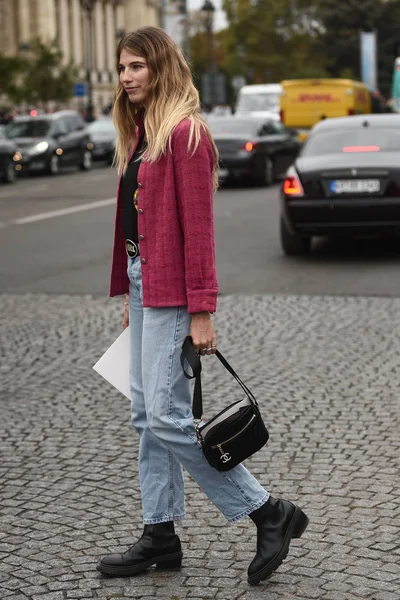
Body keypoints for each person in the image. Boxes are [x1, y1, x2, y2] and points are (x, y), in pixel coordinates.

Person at [97, 26, 309, 585]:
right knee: (146, 416)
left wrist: (201, 308)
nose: (126, 77)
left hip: (173, 293)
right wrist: (131, 294)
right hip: (146, 287)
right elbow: (136, 221)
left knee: (167, 418)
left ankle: (268, 511)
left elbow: (199, 230)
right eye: (121, 68)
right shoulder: (141, 133)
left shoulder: (187, 135)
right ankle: (160, 533)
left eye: (137, 66)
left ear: (161, 67)